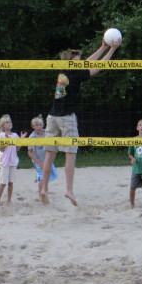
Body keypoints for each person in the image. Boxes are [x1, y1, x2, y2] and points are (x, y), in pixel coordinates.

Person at [39, 33, 121, 206]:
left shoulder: (64, 70)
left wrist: (103, 47)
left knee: (49, 154)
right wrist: (112, 50)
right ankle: (69, 189)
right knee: (71, 154)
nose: (82, 60)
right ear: (72, 60)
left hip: (52, 116)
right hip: (66, 118)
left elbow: (87, 63)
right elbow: (97, 67)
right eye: (79, 58)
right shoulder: (76, 75)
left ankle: (44, 188)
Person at [0, 114, 27, 207]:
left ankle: (9, 200)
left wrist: (21, 140)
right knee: (3, 183)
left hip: (13, 160)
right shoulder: (1, 135)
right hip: (4, 161)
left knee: (11, 182)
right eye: (7, 122)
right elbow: (1, 149)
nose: (9, 123)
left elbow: (17, 148)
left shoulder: (15, 135)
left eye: (10, 121)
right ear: (3, 125)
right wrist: (7, 141)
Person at [27, 115, 57, 196]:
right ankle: (42, 195)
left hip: (46, 159)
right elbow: (29, 152)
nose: (39, 127)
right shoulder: (32, 137)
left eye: (40, 125)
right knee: (42, 178)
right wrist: (39, 162)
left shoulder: (46, 133)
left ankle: (41, 182)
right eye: (37, 125)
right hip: (37, 160)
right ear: (33, 126)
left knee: (53, 175)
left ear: (43, 125)